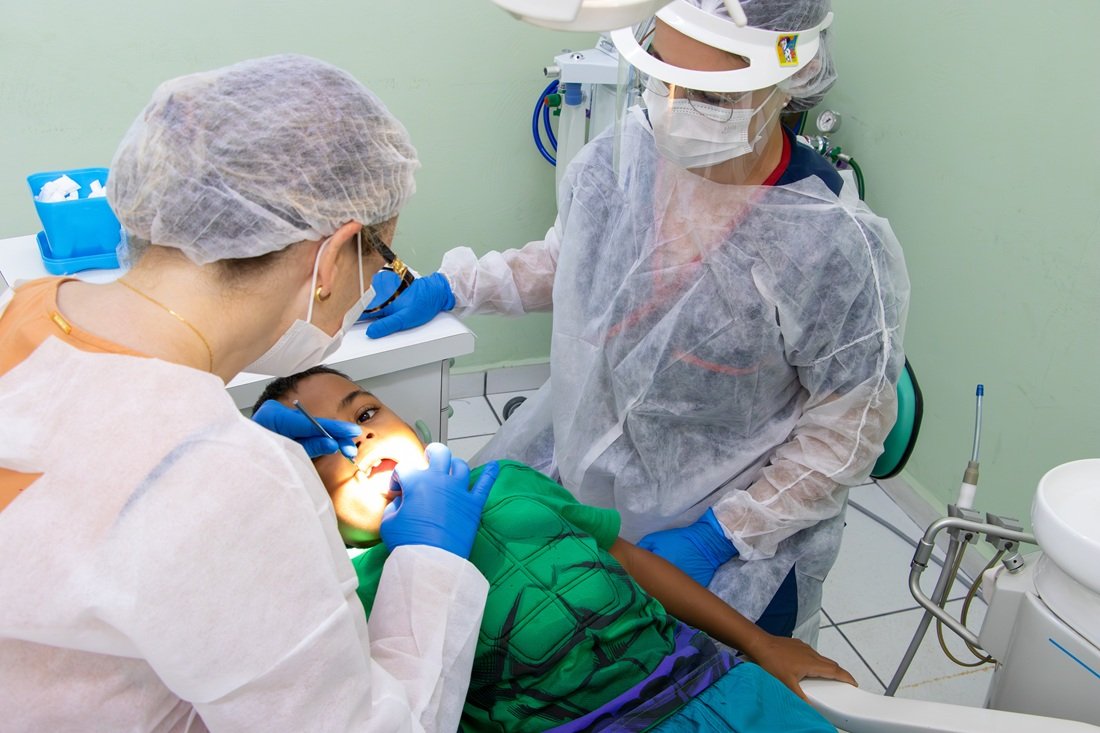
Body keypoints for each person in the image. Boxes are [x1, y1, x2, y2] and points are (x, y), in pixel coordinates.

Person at [358, 0, 910, 643]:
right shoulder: (621, 157)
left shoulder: (830, 243)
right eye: (663, 75)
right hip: (588, 469)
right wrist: (454, 286)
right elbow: (571, 259)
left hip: (736, 535)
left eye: (708, 92)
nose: (675, 106)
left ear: (784, 79)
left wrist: (723, 534)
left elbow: (850, 424)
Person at [0, 55, 499, 731]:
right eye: (382, 261)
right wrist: (429, 567)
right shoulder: (237, 484)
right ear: (332, 257)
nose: (377, 282)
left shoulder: (28, 304)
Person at [252, 365, 857, 732]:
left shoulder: (511, 483)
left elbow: (626, 556)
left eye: (365, 410)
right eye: (319, 447)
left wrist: (757, 641)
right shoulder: (352, 591)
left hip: (710, 680)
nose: (357, 436)